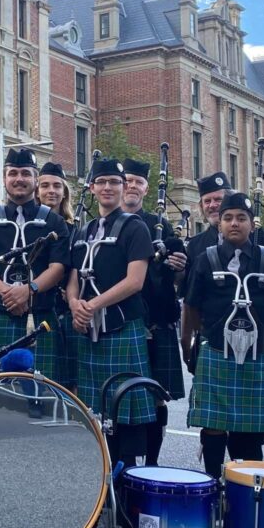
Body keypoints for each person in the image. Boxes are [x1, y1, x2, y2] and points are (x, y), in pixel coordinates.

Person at [181, 192, 264, 479]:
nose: (235, 223)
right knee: (213, 426)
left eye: (241, 218)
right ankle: (213, 483)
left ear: (251, 224)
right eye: (228, 218)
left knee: (251, 429)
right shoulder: (206, 260)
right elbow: (191, 306)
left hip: (260, 355)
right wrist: (188, 344)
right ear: (220, 224)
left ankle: (245, 490)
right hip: (216, 351)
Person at [66, 157, 156, 466]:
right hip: (89, 332)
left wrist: (92, 305)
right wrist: (74, 304)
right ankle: (101, 482)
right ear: (92, 188)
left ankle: (125, 479)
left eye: (114, 182)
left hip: (121, 327)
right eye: (101, 182)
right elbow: (73, 277)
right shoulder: (83, 231)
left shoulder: (135, 228)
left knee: (125, 418)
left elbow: (135, 281)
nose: (108, 187)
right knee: (95, 415)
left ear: (123, 187)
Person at [0, 148, 70, 379]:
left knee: (43, 391)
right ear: (4, 178)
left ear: (36, 180)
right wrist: (8, 293)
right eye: (13, 173)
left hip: (41, 318)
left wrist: (28, 291)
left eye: (26, 173)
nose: (19, 179)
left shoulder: (54, 222)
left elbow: (58, 267)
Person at [119, 158, 187, 466]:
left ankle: (152, 463)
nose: (132, 186)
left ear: (146, 189)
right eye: (127, 180)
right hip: (122, 321)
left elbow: (177, 277)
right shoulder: (107, 223)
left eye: (138, 182)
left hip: (157, 321)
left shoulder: (161, 226)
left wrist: (179, 267)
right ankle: (125, 464)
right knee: (124, 393)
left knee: (157, 395)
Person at [37, 162, 77, 390]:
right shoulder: (29, 227)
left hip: (68, 311)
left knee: (70, 381)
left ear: (64, 193)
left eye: (57, 186)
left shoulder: (75, 230)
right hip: (40, 309)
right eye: (45, 186)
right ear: (37, 191)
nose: (51, 191)